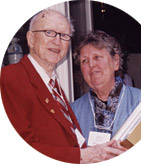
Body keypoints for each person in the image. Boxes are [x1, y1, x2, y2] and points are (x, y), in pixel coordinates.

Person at [0, 10, 126, 164]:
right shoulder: (10, 78)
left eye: (64, 35)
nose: (57, 41)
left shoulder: (52, 84)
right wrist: (81, 156)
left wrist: (100, 153)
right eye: (49, 32)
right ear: (31, 39)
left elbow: (69, 140)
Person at [71, 30, 141, 146]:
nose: (91, 65)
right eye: (85, 61)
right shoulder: (73, 112)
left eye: (97, 57)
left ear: (116, 62)